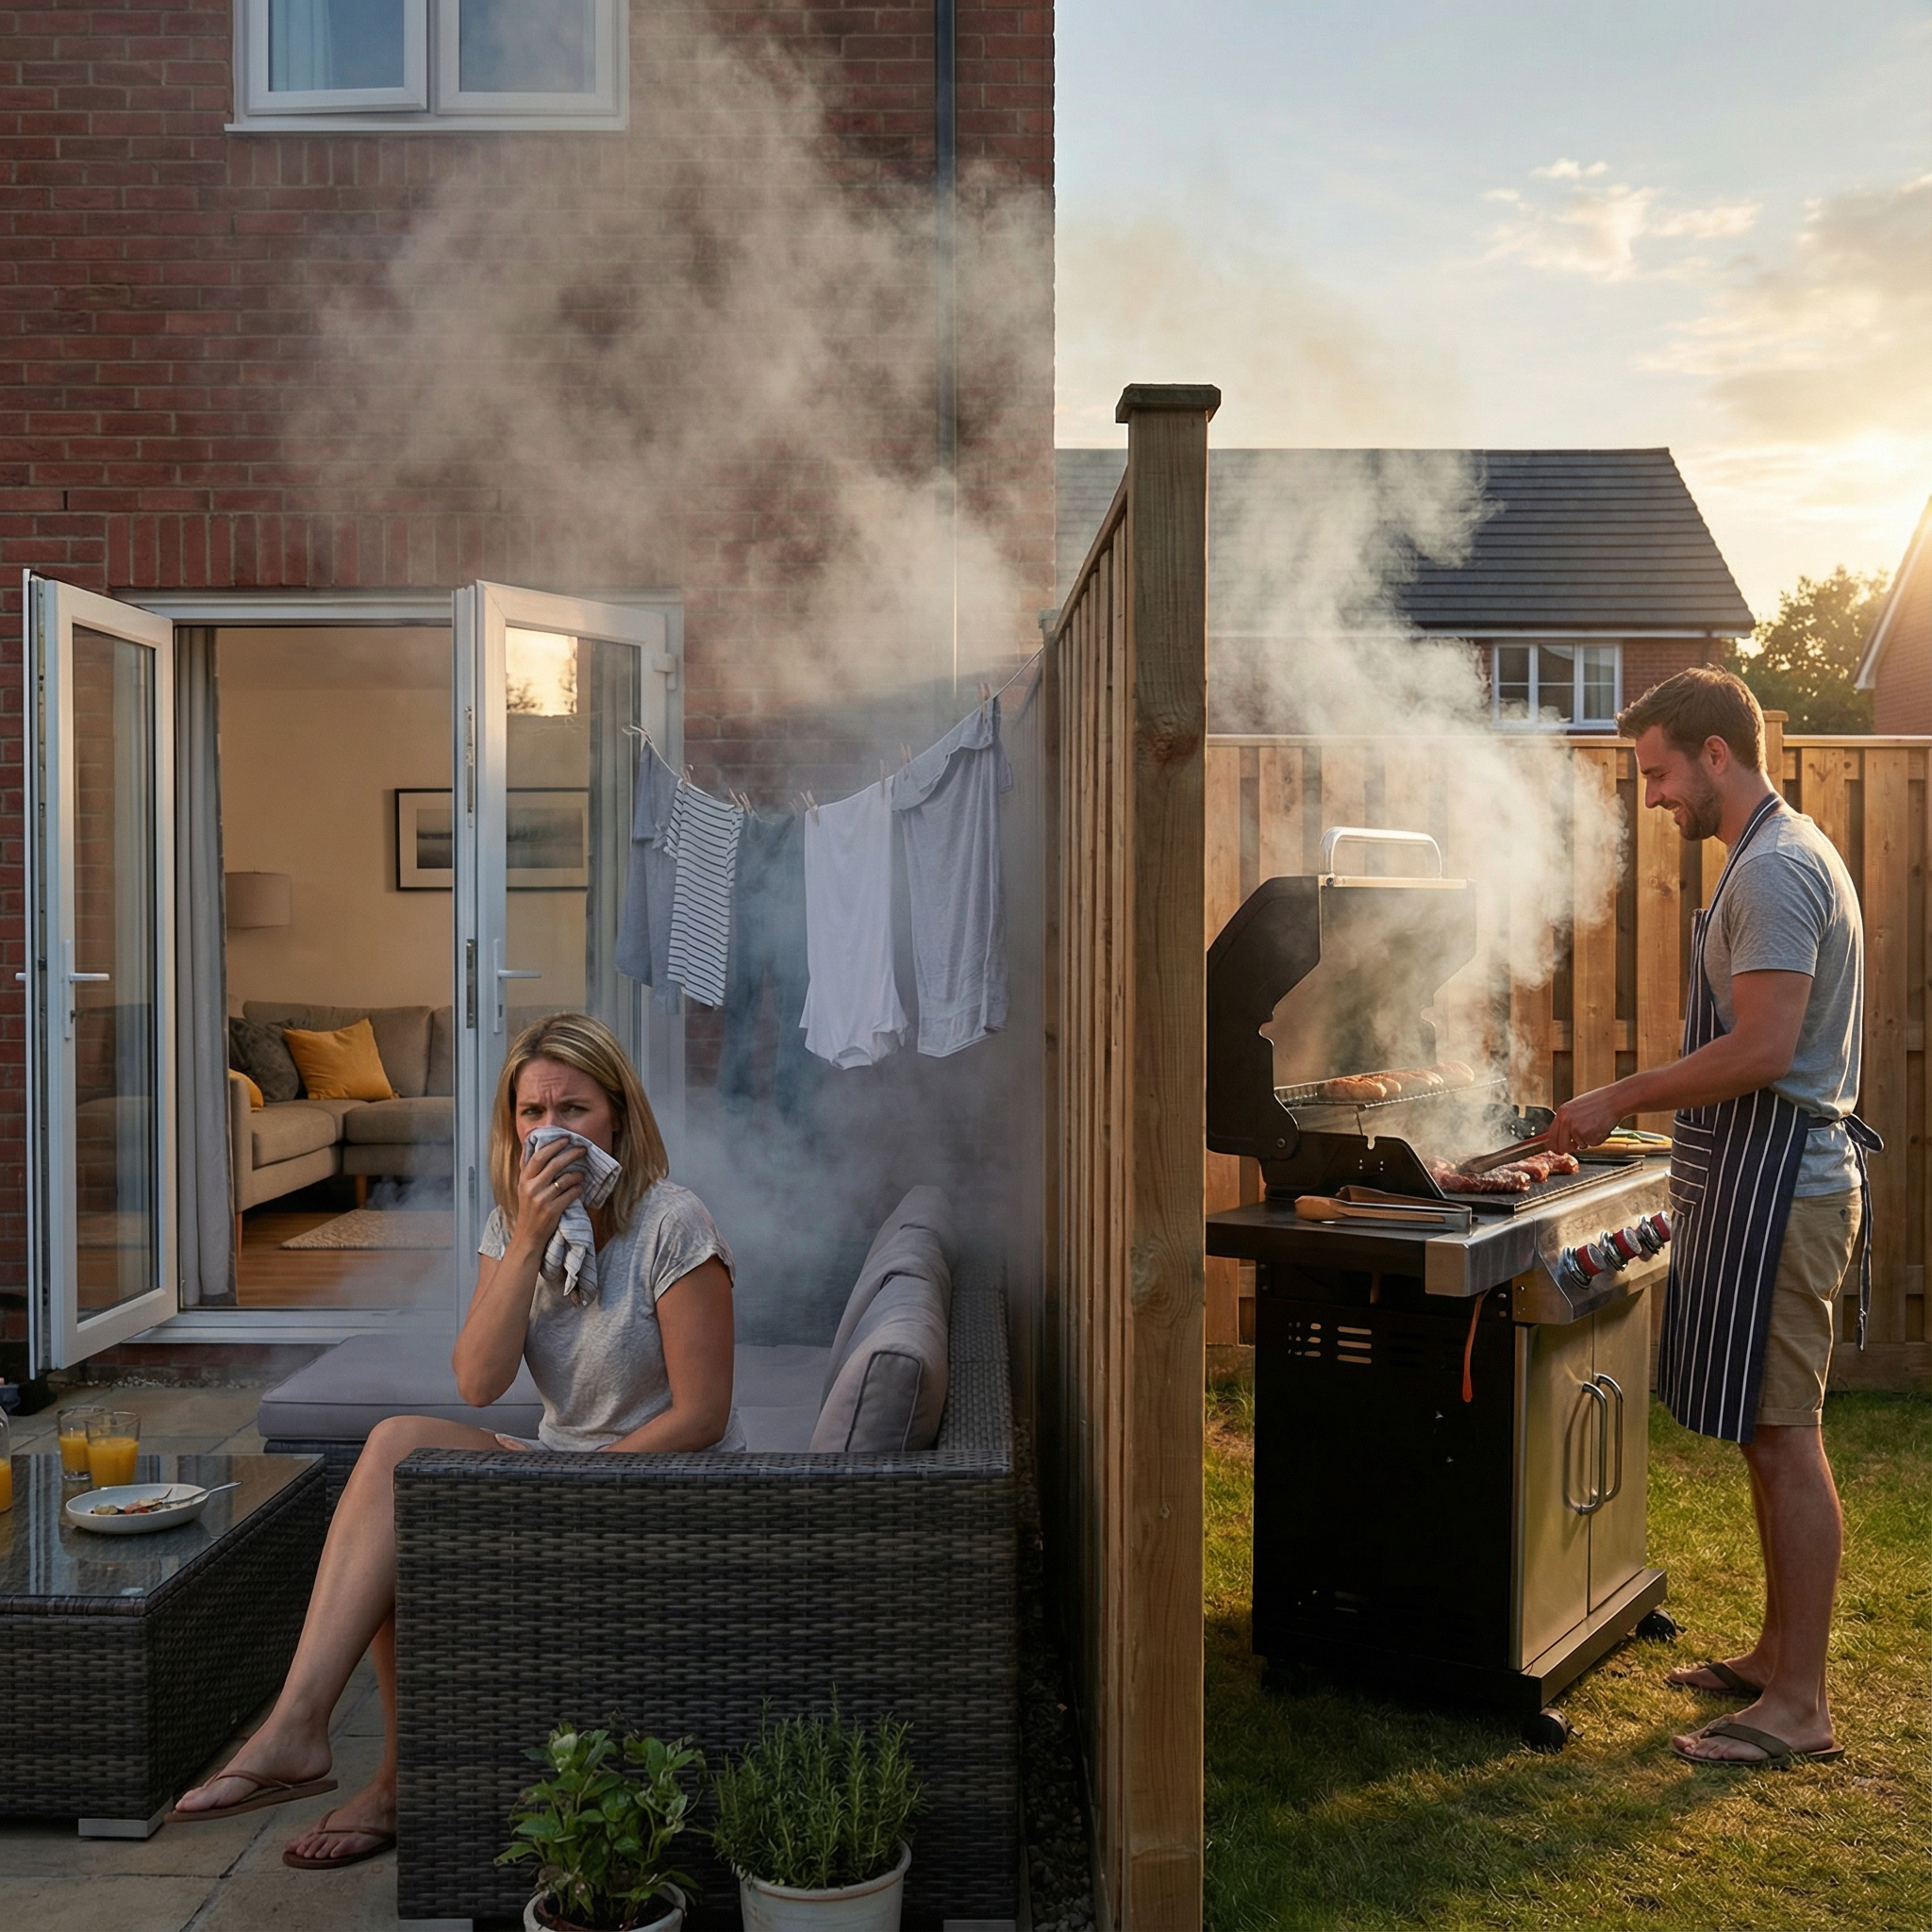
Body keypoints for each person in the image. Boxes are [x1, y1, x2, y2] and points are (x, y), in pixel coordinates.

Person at [168, 1012, 740, 1864]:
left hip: (662, 1482)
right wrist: (530, 1241)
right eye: (531, 1113)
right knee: (402, 1459)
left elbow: (702, 1416)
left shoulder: (672, 1222)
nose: (550, 1132)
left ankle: (384, 1779)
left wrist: (573, 1484)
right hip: (562, 1466)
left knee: (413, 1490)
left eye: (574, 1110)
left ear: (619, 1115)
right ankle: (313, 1733)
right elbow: (478, 1382)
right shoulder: (515, 1224)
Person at [1552, 668, 1875, 1770]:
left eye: (1655, 772)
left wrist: (1616, 1096)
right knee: (1760, 1427)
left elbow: (1761, 1048)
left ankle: (1798, 1705)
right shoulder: (1771, 854)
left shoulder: (1777, 869)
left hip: (1786, 1183)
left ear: (1714, 756)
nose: (1650, 797)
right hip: (1764, 1175)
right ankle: (1774, 1655)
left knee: (1785, 1436)